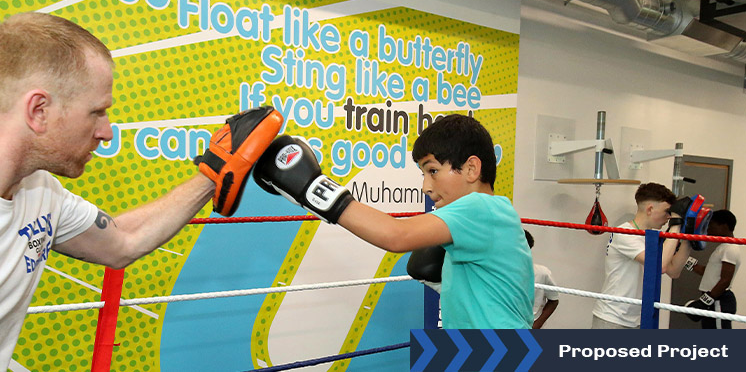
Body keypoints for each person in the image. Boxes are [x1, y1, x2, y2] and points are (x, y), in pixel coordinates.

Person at [0, 12, 282, 371]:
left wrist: (215, 174)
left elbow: (122, 242)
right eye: (96, 112)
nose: (106, 130)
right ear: (39, 110)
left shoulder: (41, 192)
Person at [253, 114, 535, 329]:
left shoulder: (480, 208)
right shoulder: (492, 213)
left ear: (472, 168)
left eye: (433, 171)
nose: (426, 186)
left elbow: (396, 235)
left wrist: (313, 187)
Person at [591, 183, 693, 329]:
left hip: (637, 319)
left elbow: (673, 271)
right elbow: (660, 266)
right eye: (667, 211)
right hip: (612, 318)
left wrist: (689, 240)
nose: (669, 217)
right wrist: (676, 224)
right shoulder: (625, 233)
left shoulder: (652, 237)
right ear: (650, 209)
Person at [683, 209, 740, 329]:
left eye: (711, 225)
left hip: (719, 300)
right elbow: (707, 272)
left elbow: (725, 280)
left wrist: (705, 301)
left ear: (724, 226)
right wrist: (684, 260)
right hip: (713, 299)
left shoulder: (730, 248)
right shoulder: (723, 247)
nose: (708, 228)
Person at [526, 230, 559, 328]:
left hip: (531, 325)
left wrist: (537, 325)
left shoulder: (542, 273)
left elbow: (553, 300)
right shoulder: (499, 273)